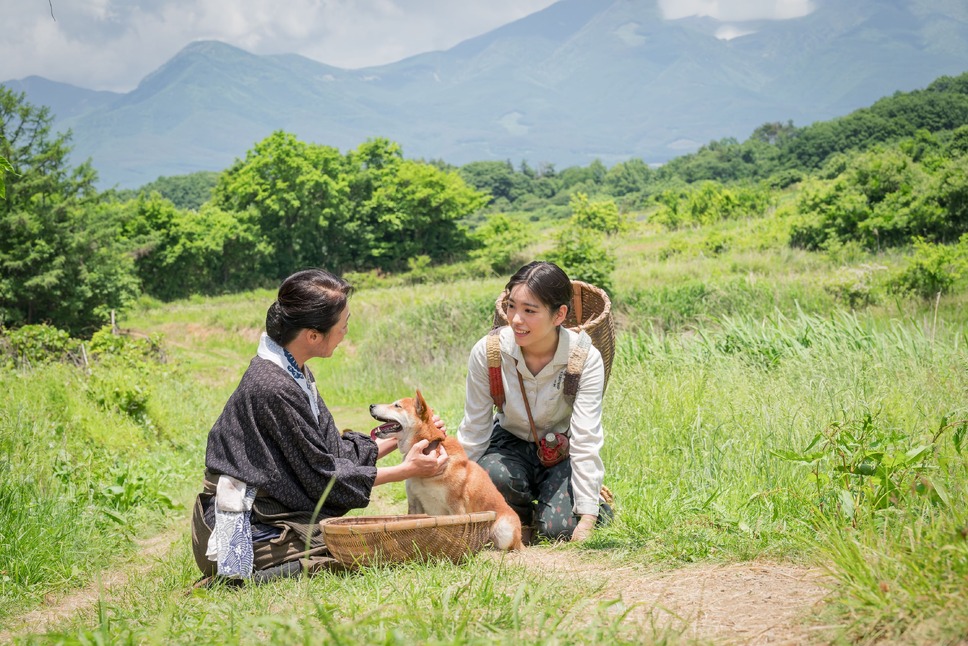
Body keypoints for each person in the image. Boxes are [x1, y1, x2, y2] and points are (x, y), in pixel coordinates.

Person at [191, 268, 448, 583]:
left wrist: (409, 435)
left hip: (272, 510)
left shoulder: (293, 371)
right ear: (313, 335)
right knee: (360, 547)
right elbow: (322, 478)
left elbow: (332, 452)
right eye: (343, 325)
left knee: (364, 540)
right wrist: (407, 470)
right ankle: (237, 577)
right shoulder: (273, 386)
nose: (346, 332)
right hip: (246, 525)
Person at [457, 261, 610, 543]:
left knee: (558, 530)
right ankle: (523, 515)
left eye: (530, 311)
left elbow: (585, 437)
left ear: (559, 315)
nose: (516, 319)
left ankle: (589, 503)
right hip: (508, 445)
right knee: (494, 475)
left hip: (561, 449)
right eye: (511, 306)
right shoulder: (489, 352)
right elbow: (474, 429)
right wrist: (456, 493)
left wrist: (588, 516)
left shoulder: (584, 358)